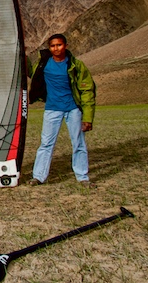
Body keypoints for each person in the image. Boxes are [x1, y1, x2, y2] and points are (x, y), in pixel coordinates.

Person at [28, 33, 97, 188]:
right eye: (52, 46)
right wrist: (22, 54)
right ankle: (38, 176)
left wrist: (87, 117)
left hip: (73, 109)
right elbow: (33, 74)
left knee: (78, 143)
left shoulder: (76, 65)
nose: (56, 48)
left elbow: (87, 92)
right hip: (52, 109)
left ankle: (82, 177)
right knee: (46, 143)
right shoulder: (44, 64)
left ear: (65, 45)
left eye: (59, 45)